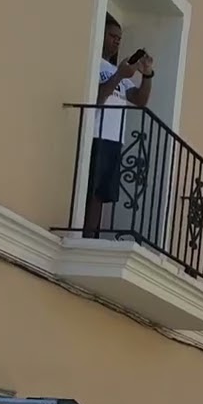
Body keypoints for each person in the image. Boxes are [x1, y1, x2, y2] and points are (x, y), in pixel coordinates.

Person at [86, 13, 154, 238]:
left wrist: (147, 75)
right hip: (95, 134)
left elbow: (139, 100)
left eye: (119, 38)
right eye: (112, 36)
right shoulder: (94, 63)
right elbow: (96, 98)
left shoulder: (122, 73)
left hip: (115, 138)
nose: (117, 41)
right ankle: (85, 236)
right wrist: (118, 75)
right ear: (101, 34)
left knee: (103, 192)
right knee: (91, 190)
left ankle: (92, 235)